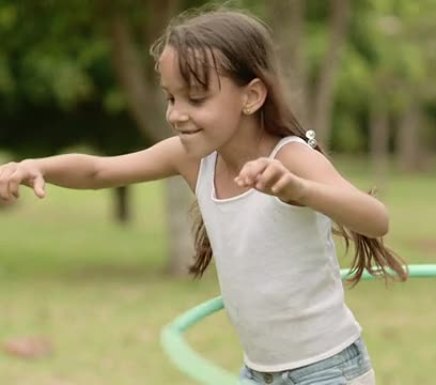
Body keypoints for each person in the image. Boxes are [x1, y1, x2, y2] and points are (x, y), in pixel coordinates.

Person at [0, 6, 407, 385]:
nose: (177, 113)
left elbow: (375, 219)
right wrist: (38, 166)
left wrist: (301, 189)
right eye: (171, 97)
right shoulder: (194, 160)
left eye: (196, 98)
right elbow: (99, 170)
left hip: (327, 370)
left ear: (251, 96)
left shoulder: (293, 157)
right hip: (258, 371)